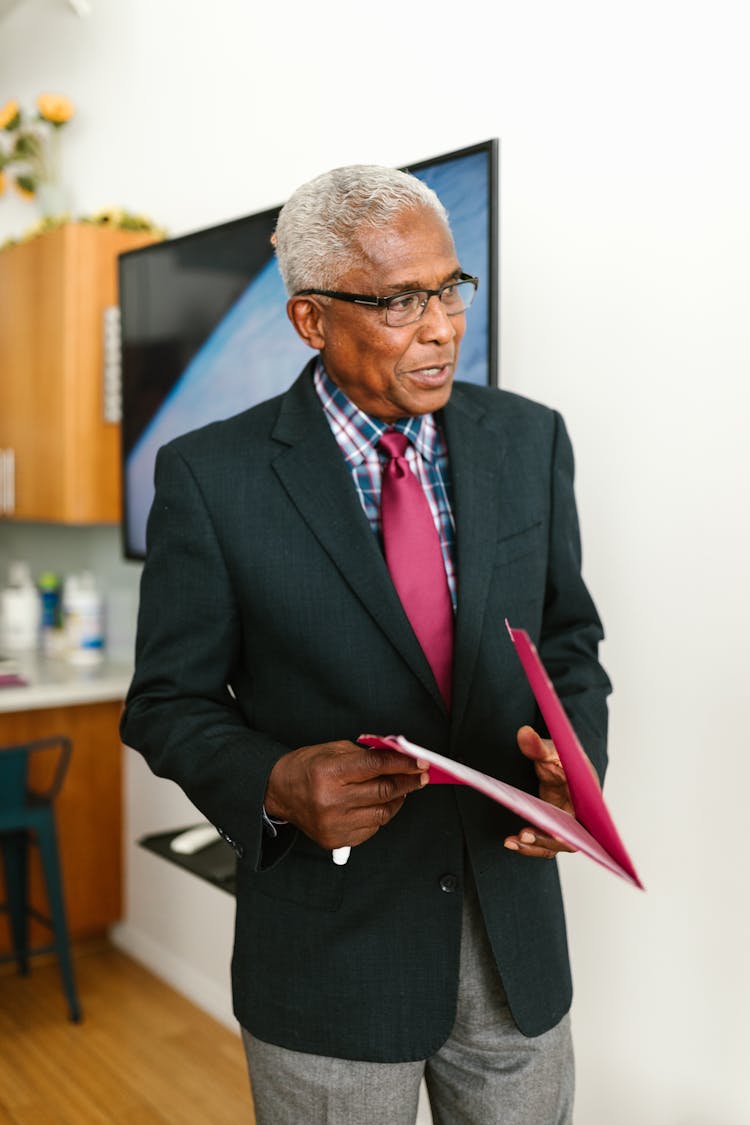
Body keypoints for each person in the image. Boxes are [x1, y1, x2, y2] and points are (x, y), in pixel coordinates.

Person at [120, 163, 611, 1125]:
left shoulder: (532, 440)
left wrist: (575, 763)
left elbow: (568, 638)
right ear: (311, 319)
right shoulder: (209, 478)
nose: (440, 326)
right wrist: (271, 780)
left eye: (450, 288)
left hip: (514, 947)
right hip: (329, 956)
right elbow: (165, 703)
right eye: (399, 301)